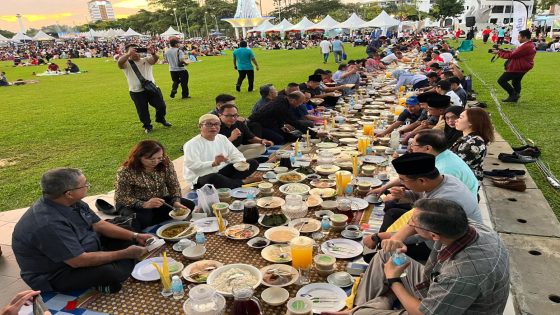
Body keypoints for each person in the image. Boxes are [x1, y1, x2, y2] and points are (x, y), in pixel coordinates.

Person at [346, 198, 510, 315]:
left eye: (414, 224)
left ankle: (368, 307)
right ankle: (364, 305)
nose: (410, 225)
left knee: (364, 313)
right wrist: (397, 238)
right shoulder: (464, 225)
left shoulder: (461, 273)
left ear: (434, 236)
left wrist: (393, 280)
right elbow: (415, 223)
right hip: (437, 284)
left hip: (448, 308)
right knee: (385, 254)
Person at [12, 168, 151, 293]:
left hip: (85, 247)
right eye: (84, 185)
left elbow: (98, 224)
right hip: (59, 272)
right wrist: (124, 254)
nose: (88, 186)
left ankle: (113, 261)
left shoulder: (71, 201)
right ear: (69, 193)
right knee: (111, 272)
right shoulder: (47, 225)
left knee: (127, 231)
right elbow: (78, 261)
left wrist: (135, 236)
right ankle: (111, 270)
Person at [114, 140, 195, 230]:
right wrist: (144, 204)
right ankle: (137, 217)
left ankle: (150, 217)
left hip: (159, 200)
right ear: (139, 157)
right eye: (151, 159)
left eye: (159, 158)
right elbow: (121, 197)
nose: (156, 161)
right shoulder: (126, 171)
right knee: (143, 219)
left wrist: (176, 201)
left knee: (189, 206)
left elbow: (174, 185)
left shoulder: (165, 162)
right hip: (134, 203)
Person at [183, 114, 261, 189]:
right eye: (209, 124)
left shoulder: (222, 138)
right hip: (201, 176)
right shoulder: (191, 144)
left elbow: (235, 153)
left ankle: (228, 183)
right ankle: (242, 182)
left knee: (253, 163)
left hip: (221, 171)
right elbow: (192, 165)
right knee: (213, 178)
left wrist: (241, 161)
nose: (213, 127)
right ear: (200, 126)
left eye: (217, 124)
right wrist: (213, 163)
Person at [118, 43, 171, 134]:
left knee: (161, 106)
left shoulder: (146, 60)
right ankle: (147, 126)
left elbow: (155, 59)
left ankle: (160, 119)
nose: (136, 53)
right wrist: (128, 55)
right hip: (136, 91)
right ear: (127, 52)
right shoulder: (126, 63)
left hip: (152, 88)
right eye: (133, 51)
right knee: (142, 110)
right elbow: (119, 63)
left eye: (137, 50)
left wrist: (153, 53)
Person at [410, 130, 479, 197]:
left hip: (457, 205)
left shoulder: (444, 169)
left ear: (428, 148)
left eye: (413, 145)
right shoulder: (443, 154)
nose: (411, 148)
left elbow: (432, 197)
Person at [451, 108, 495, 181]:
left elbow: (455, 167)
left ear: (471, 122)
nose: (456, 120)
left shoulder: (473, 143)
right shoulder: (470, 138)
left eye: (461, 117)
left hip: (464, 184)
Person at [494, 29, 536, 102]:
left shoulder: (526, 46)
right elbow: (516, 53)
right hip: (524, 66)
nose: (518, 38)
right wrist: (503, 51)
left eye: (519, 37)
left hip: (519, 67)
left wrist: (499, 53)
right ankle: (514, 97)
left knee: (501, 80)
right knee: (516, 81)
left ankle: (513, 94)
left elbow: (512, 55)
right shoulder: (530, 44)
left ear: (525, 37)